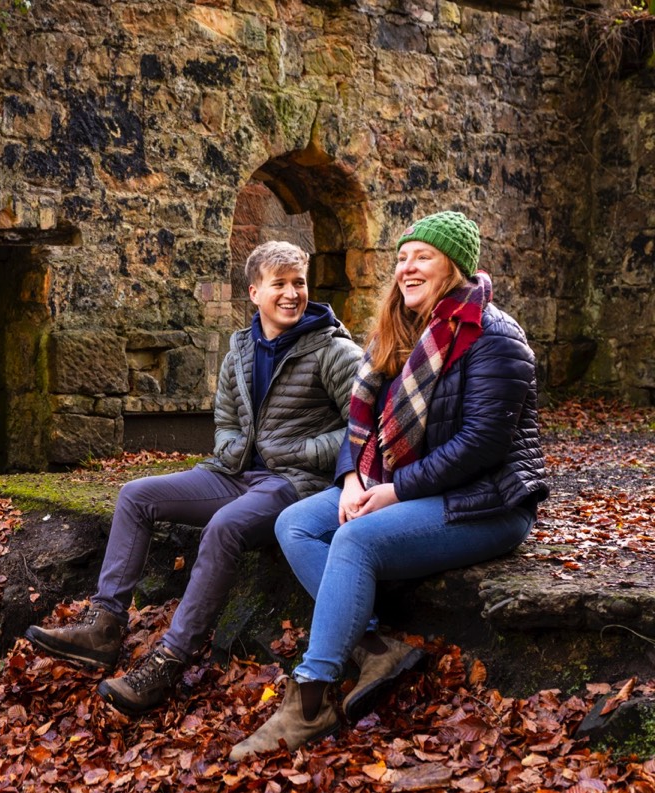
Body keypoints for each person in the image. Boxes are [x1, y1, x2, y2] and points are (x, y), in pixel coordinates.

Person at [229, 211, 549, 759]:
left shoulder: (495, 337)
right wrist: (353, 476)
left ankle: (311, 697)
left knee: (355, 539)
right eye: (401, 258)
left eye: (422, 256)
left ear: (456, 265)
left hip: (486, 502)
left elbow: (481, 446)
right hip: (396, 484)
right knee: (296, 523)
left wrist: (396, 492)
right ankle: (376, 646)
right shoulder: (399, 333)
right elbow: (359, 421)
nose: (407, 268)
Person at [25, 241, 363, 716]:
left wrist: (302, 451)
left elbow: (365, 428)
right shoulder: (239, 351)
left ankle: (167, 663)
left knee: (224, 526)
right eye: (279, 284)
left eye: (299, 283)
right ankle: (103, 627)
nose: (292, 294)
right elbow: (224, 420)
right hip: (231, 473)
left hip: (293, 484)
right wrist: (230, 447)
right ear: (254, 292)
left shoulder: (335, 351)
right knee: (136, 495)